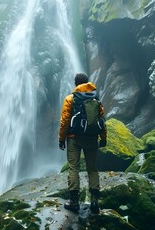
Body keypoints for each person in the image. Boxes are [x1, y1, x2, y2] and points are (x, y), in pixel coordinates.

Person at [58, 72, 106, 214]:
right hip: (92, 138)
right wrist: (103, 138)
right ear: (87, 83)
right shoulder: (96, 99)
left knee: (74, 168)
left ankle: (73, 201)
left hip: (73, 138)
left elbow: (65, 121)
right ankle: (94, 201)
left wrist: (61, 139)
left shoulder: (70, 99)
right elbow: (102, 120)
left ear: (75, 84)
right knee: (92, 169)